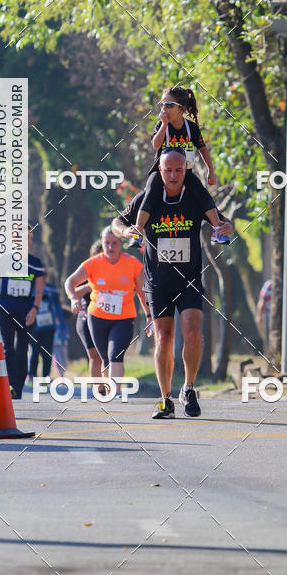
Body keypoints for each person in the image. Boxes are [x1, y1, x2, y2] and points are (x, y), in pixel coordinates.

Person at [112, 148, 234, 419]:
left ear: (186, 170)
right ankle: (165, 398)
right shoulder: (148, 197)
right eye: (168, 170)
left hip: (189, 278)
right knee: (164, 338)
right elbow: (117, 223)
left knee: (192, 330)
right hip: (158, 281)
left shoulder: (194, 195)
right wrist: (127, 231)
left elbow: (222, 222)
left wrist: (229, 227)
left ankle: (188, 388)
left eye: (179, 170)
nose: (173, 175)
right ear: (160, 170)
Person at [128, 86, 229, 246]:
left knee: (202, 193)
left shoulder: (191, 128)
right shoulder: (161, 125)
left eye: (169, 105)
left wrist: (210, 171)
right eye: (162, 105)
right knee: (150, 193)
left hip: (183, 171)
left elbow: (203, 149)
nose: (164, 109)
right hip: (161, 172)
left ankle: (218, 229)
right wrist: (164, 125)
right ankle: (138, 232)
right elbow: (156, 145)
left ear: (181, 109)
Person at [64, 228, 149, 393]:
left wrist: (149, 314)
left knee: (116, 356)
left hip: (124, 317)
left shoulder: (133, 263)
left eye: (114, 243)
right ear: (102, 243)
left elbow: (142, 292)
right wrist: (73, 298)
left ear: (121, 244)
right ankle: (105, 391)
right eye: (107, 243)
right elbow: (70, 281)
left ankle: (115, 393)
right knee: (104, 358)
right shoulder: (92, 263)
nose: (110, 247)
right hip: (97, 317)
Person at [0, 225, 45, 399]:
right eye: (23, 238)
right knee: (8, 348)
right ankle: (9, 385)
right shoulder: (3, 260)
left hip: (26, 309)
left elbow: (39, 290)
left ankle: (18, 387)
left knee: (22, 348)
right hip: (5, 307)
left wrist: (35, 309)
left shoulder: (36, 263)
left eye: (30, 238)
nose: (27, 241)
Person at [72, 240, 104, 381]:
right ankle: (99, 389)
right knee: (95, 356)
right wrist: (87, 287)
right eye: (98, 256)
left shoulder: (115, 271)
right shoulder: (87, 271)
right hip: (87, 318)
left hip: (110, 318)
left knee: (108, 356)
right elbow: (72, 291)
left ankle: (111, 388)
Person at [27, 287, 57, 386]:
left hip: (48, 328)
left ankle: (45, 378)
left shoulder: (51, 291)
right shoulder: (29, 291)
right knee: (34, 353)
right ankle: (32, 377)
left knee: (47, 354)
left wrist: (59, 326)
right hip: (34, 329)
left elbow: (56, 308)